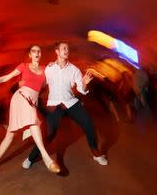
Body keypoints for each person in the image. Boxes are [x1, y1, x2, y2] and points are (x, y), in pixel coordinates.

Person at [0, 45, 60, 177]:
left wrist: (54, 66)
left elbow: (47, 83)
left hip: (32, 101)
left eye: (39, 51)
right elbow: (4, 78)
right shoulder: (23, 66)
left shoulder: (44, 70)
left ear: (40, 54)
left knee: (9, 135)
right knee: (34, 120)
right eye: (34, 51)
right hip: (20, 97)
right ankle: (46, 158)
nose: (37, 53)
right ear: (30, 55)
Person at [22, 42, 108, 170]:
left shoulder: (74, 69)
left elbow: (81, 89)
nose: (67, 50)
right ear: (57, 51)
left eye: (68, 48)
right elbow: (39, 82)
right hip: (54, 104)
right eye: (64, 48)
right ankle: (31, 158)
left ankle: (95, 153)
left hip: (71, 102)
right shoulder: (48, 69)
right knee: (49, 134)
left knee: (89, 124)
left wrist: (84, 84)